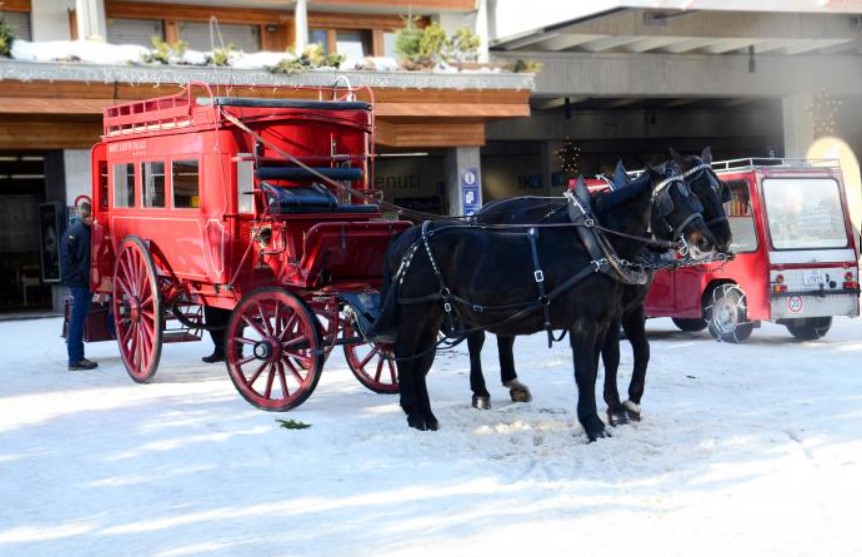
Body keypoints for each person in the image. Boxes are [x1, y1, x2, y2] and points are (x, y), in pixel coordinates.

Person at [60, 201, 98, 370]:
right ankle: (75, 359)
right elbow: (85, 262)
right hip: (80, 281)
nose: (95, 222)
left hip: (73, 278)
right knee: (78, 319)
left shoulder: (74, 229)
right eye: (93, 218)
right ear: (87, 216)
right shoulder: (83, 233)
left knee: (77, 318)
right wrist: (93, 283)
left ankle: (75, 357)